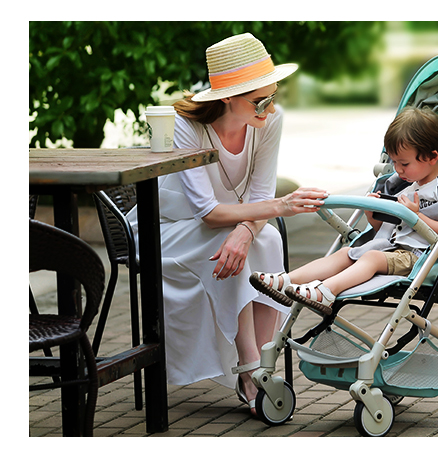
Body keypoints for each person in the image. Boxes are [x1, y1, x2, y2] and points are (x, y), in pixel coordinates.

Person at [126, 33, 328, 415]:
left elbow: (260, 193)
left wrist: (246, 230)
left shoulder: (269, 120)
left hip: (225, 225)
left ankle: (264, 364)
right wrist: (280, 207)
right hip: (165, 230)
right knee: (232, 243)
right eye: (259, 100)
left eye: (273, 96)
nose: (270, 108)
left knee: (267, 240)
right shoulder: (185, 126)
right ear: (227, 98)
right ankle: (249, 371)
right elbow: (206, 211)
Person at [251, 106, 438, 315]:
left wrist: (416, 216)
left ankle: (327, 291)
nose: (398, 169)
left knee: (371, 258)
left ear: (432, 157)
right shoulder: (401, 185)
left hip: (418, 257)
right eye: (394, 162)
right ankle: (286, 281)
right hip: (388, 248)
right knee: (346, 252)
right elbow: (384, 230)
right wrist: (372, 214)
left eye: (404, 163)